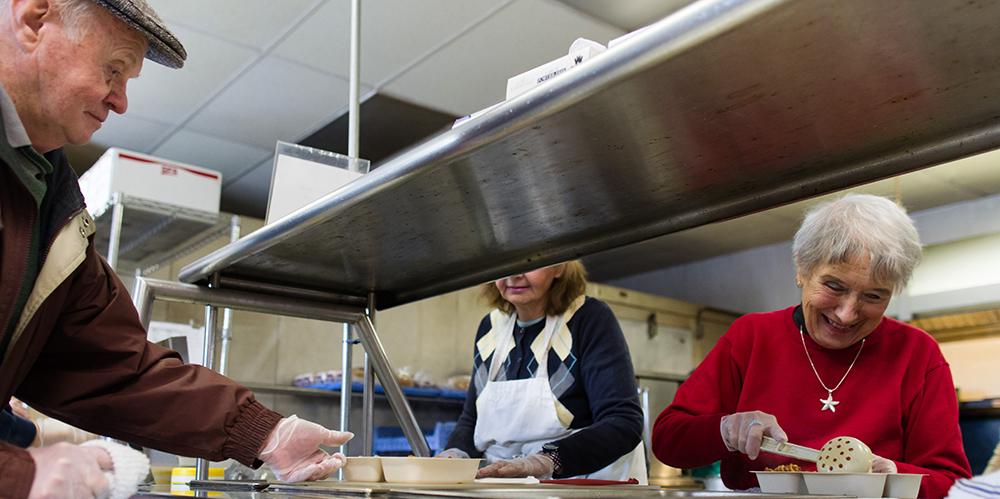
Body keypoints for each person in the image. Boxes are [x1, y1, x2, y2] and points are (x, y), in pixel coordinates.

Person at [0, 0, 352, 497]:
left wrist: (266, 433)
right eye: (114, 69)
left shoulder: (49, 200)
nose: (121, 101)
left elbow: (115, 366)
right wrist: (20, 476)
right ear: (35, 20)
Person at [652, 194, 972, 499]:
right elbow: (668, 440)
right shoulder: (752, 336)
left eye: (874, 296)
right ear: (802, 269)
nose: (847, 314)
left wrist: (894, 479)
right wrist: (725, 429)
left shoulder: (917, 354)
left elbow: (951, 482)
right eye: (834, 286)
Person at [439, 261, 647, 482]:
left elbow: (623, 420)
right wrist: (454, 454)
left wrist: (547, 461)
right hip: (503, 488)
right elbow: (471, 419)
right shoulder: (490, 328)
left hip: (577, 485)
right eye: (504, 263)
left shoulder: (588, 319)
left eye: (529, 262)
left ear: (559, 267)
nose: (514, 275)